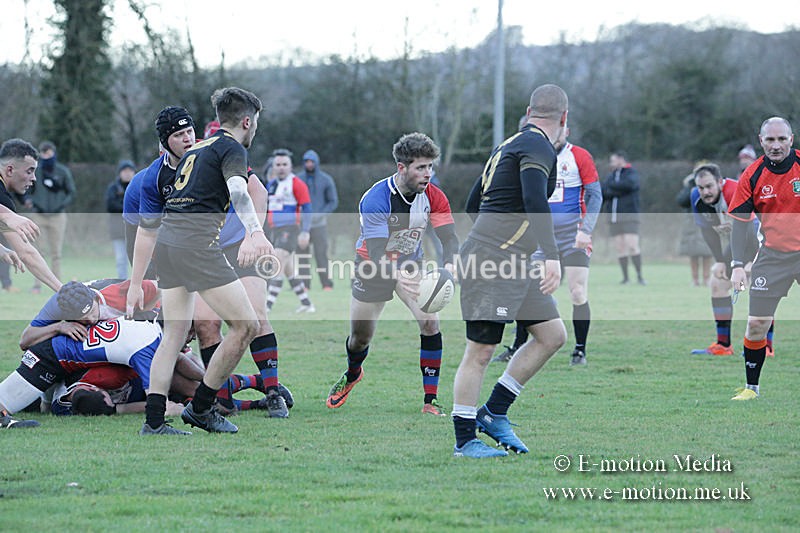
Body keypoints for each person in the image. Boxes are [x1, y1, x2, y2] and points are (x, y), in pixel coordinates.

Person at [127, 87, 271, 435]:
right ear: (247, 122)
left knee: (173, 335)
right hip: (196, 247)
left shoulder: (198, 148)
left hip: (169, 247)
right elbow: (239, 191)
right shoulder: (230, 148)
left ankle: (154, 422)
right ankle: (203, 408)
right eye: (256, 123)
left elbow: (156, 223)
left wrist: (135, 282)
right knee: (247, 326)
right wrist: (256, 232)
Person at [451, 84, 567, 458]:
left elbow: (473, 203)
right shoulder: (538, 146)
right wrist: (550, 255)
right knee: (481, 350)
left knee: (551, 335)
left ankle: (494, 412)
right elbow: (533, 199)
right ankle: (464, 440)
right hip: (495, 260)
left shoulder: (509, 144)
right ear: (564, 119)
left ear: (530, 112)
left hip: (513, 260)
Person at [325, 132, 459, 416]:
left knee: (430, 322)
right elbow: (376, 254)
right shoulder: (376, 199)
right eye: (420, 167)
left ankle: (430, 400)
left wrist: (450, 266)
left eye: (430, 166)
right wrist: (397, 276)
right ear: (402, 167)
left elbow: (449, 238)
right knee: (360, 338)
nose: (428, 174)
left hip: (411, 264)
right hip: (372, 267)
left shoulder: (434, 196)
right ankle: (353, 373)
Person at [492, 127, 603, 367]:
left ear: (566, 130)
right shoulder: (533, 155)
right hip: (541, 236)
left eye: (560, 131)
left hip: (573, 237)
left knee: (577, 291)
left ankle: (579, 351)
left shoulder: (579, 156)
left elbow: (596, 195)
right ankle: (518, 346)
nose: (555, 136)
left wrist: (586, 230)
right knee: (532, 290)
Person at [728, 117, 798, 400]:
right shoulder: (752, 175)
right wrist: (737, 265)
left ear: (791, 139)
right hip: (772, 257)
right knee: (757, 324)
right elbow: (739, 224)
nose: (776, 145)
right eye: (770, 139)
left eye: (781, 139)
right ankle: (751, 389)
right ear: (761, 141)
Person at [687, 163, 773, 357]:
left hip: (763, 240)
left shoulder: (735, 191)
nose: (705, 192)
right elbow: (707, 231)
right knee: (717, 283)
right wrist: (719, 260)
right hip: (738, 243)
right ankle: (723, 345)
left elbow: (752, 228)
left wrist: (750, 261)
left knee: (762, 287)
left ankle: (766, 346)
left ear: (720, 182)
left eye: (709, 186)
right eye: (701, 187)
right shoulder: (696, 197)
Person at [0, 138, 61, 292]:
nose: (34, 178)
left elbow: (27, 252)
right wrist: (62, 290)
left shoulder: (5, 200)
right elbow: (27, 254)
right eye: (29, 171)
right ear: (10, 170)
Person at [265, 148, 315, 313]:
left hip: (290, 229)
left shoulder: (297, 184)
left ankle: (267, 306)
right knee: (288, 270)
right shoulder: (271, 185)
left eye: (284, 164)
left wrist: (305, 231)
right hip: (275, 230)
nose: (281, 168)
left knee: (277, 264)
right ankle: (307, 304)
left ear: (291, 166)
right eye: (278, 164)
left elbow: (307, 209)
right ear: (273, 166)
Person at [26, 140, 75, 293]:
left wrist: (61, 205)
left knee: (56, 253)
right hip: (39, 215)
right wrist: (31, 202)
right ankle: (37, 285)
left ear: (54, 153)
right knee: (38, 251)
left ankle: (57, 287)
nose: (46, 156)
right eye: (43, 153)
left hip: (58, 216)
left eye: (48, 153)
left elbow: (71, 191)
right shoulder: (36, 171)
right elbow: (27, 190)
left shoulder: (62, 171)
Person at [296, 149, 338, 290]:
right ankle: (305, 285)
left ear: (316, 162)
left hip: (320, 225)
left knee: (321, 255)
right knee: (302, 256)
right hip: (302, 226)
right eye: (306, 162)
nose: (309, 164)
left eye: (311, 161)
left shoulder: (326, 180)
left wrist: (321, 214)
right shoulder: (297, 180)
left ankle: (326, 284)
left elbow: (333, 201)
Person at [602, 150, 645, 285]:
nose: (611, 163)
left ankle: (639, 276)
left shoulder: (631, 173)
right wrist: (615, 190)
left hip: (629, 216)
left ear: (621, 159)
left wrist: (612, 188)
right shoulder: (611, 176)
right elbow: (604, 191)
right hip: (614, 218)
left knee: (632, 245)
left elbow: (630, 185)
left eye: (613, 160)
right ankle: (626, 278)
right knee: (620, 248)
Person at [676, 166, 713, 287]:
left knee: (707, 252)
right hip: (691, 223)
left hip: (708, 220)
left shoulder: (711, 186)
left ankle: (707, 278)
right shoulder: (690, 186)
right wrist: (691, 186)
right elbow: (681, 201)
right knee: (693, 253)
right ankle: (695, 279)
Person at [106, 160, 136, 278]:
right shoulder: (113, 188)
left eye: (130, 171)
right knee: (121, 259)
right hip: (118, 230)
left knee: (138, 259)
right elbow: (110, 206)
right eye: (124, 171)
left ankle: (141, 283)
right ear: (119, 173)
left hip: (137, 230)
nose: (127, 173)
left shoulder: (138, 186)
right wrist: (129, 207)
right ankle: (123, 282)